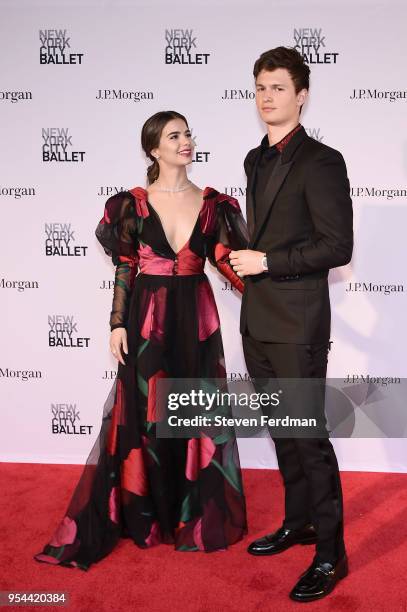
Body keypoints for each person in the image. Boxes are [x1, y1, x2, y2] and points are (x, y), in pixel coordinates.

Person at [34, 110, 248, 570]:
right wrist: (116, 323)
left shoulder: (215, 204)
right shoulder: (130, 205)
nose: (186, 140)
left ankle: (191, 516)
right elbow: (125, 266)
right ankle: (147, 515)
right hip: (146, 321)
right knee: (146, 415)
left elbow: (229, 265)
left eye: (188, 133)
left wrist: (278, 296)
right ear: (154, 148)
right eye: (175, 135)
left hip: (196, 319)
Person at [229, 47, 353, 602]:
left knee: (309, 438)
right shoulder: (256, 159)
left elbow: (337, 245)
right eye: (259, 87)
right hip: (257, 321)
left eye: (277, 87)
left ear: (301, 95)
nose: (266, 97)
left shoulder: (323, 161)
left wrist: (268, 263)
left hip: (298, 322)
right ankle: (299, 522)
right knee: (284, 435)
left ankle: (331, 553)